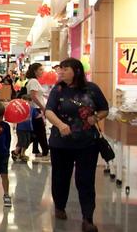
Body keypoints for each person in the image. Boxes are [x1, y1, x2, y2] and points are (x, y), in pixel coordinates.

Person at [45, 58, 108, 232]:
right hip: (61, 142)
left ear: (76, 71)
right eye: (61, 69)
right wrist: (60, 124)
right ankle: (59, 205)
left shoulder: (92, 89)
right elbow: (49, 110)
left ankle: (88, 218)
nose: (61, 72)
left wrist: (95, 118)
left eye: (65, 69)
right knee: (60, 177)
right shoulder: (57, 90)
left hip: (87, 143)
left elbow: (104, 109)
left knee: (85, 179)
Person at [26, 63, 49, 161]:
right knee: (40, 131)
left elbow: (38, 94)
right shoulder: (34, 81)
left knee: (36, 132)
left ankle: (34, 150)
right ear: (35, 71)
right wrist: (42, 107)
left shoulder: (33, 81)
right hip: (35, 109)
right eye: (40, 69)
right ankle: (45, 151)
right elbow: (33, 96)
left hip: (35, 109)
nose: (42, 71)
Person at [11, 94, 35, 162]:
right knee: (22, 141)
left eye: (28, 102)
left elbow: (35, 116)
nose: (27, 104)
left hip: (28, 127)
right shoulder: (20, 109)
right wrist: (14, 125)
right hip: (21, 128)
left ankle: (22, 154)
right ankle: (15, 152)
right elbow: (15, 117)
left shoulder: (32, 109)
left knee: (27, 141)